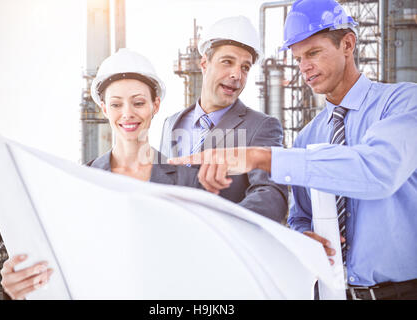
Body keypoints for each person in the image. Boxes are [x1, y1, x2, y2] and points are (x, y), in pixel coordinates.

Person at [169, 0, 417, 300]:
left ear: (348, 44)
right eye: (298, 58)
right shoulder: (308, 137)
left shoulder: (403, 103)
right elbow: (300, 216)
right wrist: (302, 238)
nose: (304, 67)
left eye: (313, 53)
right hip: (328, 293)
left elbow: (378, 170)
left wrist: (260, 156)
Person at [0, 49, 202, 300]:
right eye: (116, 104)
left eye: (138, 102)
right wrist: (18, 285)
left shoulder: (188, 181)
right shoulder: (79, 181)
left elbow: (203, 264)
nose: (127, 113)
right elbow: (61, 259)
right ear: (104, 108)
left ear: (155, 105)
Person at [160, 16, 288, 223]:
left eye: (245, 67)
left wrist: (223, 227)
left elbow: (271, 194)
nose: (236, 74)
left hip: (226, 248)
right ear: (204, 63)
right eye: (227, 62)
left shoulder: (261, 126)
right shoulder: (171, 123)